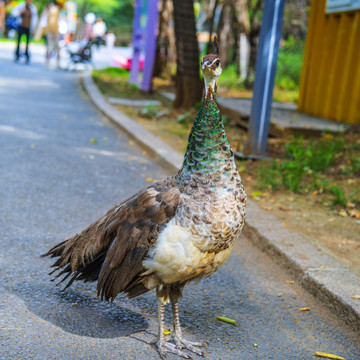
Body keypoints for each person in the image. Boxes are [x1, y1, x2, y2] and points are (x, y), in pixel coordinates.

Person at [45, 1, 64, 68]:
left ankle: (56, 63)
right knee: (50, 47)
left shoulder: (55, 10)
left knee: (57, 48)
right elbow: (51, 22)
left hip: (54, 32)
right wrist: (53, 32)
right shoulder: (54, 10)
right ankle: (47, 63)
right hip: (52, 32)